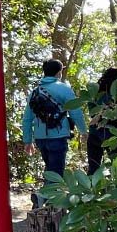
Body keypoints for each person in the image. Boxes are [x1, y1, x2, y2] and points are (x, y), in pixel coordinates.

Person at [23, 60, 87, 205]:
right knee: (56, 171)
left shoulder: (35, 91)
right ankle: (43, 197)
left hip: (40, 138)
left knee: (51, 168)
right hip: (58, 136)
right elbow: (75, 112)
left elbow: (27, 118)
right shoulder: (64, 89)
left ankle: (46, 200)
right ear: (59, 73)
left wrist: (28, 140)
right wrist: (83, 131)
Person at [87, 67, 117, 174]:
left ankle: (90, 189)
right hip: (114, 136)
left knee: (93, 168)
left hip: (95, 134)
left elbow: (92, 113)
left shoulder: (94, 96)